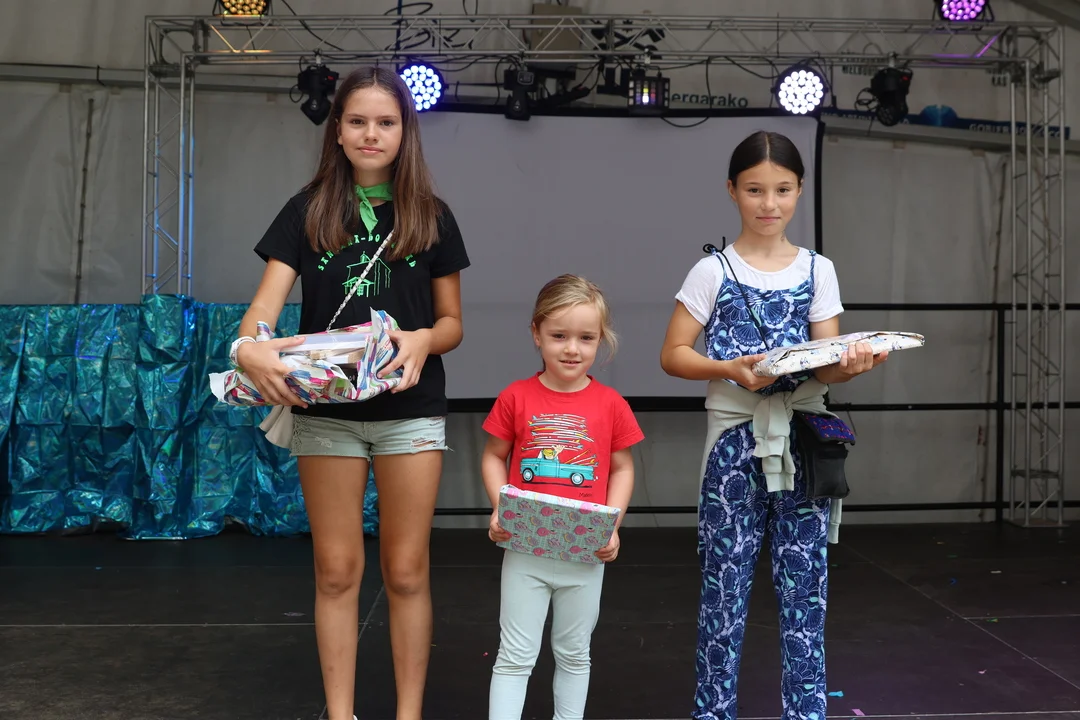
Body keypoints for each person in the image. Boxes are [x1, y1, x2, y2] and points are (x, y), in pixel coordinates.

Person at [231, 66, 470, 720]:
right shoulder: (305, 210)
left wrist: (423, 340)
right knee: (335, 571)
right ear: (336, 129)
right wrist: (249, 348)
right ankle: (341, 714)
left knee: (407, 571)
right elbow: (261, 314)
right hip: (326, 415)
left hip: (410, 414)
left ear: (405, 131)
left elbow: (452, 324)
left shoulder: (432, 216)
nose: (371, 133)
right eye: (358, 121)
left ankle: (408, 714)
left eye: (386, 122)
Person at [659, 130, 887, 720]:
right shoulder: (712, 270)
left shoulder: (818, 269)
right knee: (724, 593)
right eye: (755, 190)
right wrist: (728, 368)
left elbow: (827, 364)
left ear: (799, 191)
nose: (769, 203)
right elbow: (673, 354)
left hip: (804, 445)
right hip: (734, 444)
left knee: (805, 596)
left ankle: (805, 714)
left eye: (782, 190)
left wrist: (851, 366)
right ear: (732, 191)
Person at [480, 275, 644, 720]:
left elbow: (623, 467)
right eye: (559, 336)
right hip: (525, 551)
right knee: (515, 656)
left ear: (600, 339)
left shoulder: (611, 404)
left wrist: (612, 525)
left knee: (574, 654)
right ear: (536, 334)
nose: (572, 349)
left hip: (584, 554)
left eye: (586, 338)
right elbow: (493, 456)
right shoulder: (516, 396)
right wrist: (501, 506)